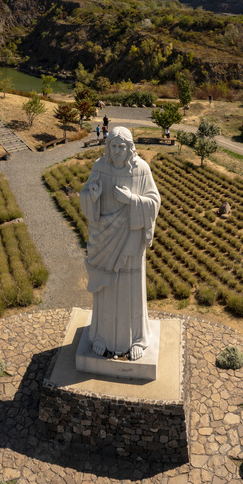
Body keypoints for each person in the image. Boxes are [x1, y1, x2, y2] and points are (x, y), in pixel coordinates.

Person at [79, 127, 161, 360]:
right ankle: (102, 337)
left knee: (130, 290)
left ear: (129, 147)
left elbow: (154, 201)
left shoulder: (141, 169)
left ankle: (136, 339)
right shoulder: (99, 167)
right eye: (113, 146)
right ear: (107, 147)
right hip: (104, 240)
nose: (117, 151)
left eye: (121, 146)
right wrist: (92, 197)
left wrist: (132, 200)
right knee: (106, 289)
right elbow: (85, 195)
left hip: (131, 243)